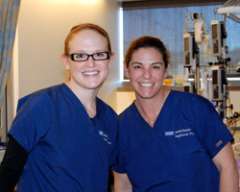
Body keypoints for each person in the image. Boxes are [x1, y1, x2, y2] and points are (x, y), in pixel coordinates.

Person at [0, 23, 118, 192]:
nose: (91, 63)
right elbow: (7, 174)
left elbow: (104, 179)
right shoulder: (41, 106)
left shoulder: (110, 118)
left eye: (99, 54)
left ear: (110, 59)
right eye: (80, 56)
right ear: (66, 61)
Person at [113, 36, 239, 192]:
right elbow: (123, 184)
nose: (147, 75)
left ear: (165, 71)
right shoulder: (121, 126)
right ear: (127, 70)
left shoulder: (195, 109)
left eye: (155, 67)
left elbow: (227, 167)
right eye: (138, 66)